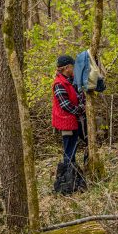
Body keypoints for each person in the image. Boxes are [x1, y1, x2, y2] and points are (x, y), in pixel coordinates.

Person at [51, 55, 87, 194]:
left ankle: (77, 177)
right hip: (66, 122)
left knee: (79, 145)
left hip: (76, 120)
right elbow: (66, 105)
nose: (74, 69)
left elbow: (79, 95)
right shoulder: (59, 84)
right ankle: (67, 182)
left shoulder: (72, 80)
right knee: (69, 151)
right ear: (66, 68)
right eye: (72, 66)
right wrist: (82, 109)